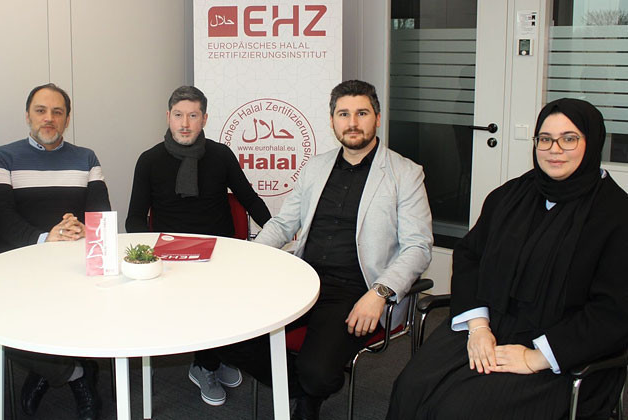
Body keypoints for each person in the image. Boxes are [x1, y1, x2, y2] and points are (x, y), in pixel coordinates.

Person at [387, 98, 628, 419]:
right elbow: (470, 256)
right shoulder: (510, 196)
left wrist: (536, 357)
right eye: (545, 139)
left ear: (592, 142)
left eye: (569, 139)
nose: (554, 149)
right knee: (411, 387)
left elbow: (613, 313)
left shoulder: (616, 215)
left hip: (563, 351)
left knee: (460, 410)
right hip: (491, 324)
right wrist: (479, 327)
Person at [221, 80, 433, 419]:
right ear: (332, 120)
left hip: (356, 289)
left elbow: (418, 247)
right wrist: (252, 257)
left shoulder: (405, 173)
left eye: (362, 113)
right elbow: (283, 224)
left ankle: (311, 386)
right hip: (301, 278)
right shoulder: (315, 167)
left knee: (318, 372)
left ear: (377, 118)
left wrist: (380, 292)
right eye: (343, 114)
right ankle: (305, 388)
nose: (353, 123)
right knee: (227, 334)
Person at [125, 85, 272, 406]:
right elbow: (134, 218)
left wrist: (279, 232)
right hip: (169, 257)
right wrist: (146, 257)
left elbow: (249, 199)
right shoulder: (149, 160)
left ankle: (210, 359)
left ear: (204, 119)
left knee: (225, 297)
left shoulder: (221, 155)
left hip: (220, 252)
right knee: (196, 299)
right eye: (178, 115)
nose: (185, 124)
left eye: (193, 116)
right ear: (168, 116)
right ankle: (207, 364)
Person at [0, 83, 111, 420]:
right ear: (28, 116)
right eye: (41, 110)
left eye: (57, 112)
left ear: (67, 119)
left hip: (76, 263)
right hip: (19, 265)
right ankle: (75, 373)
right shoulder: (1, 157)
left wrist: (83, 229)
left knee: (106, 305)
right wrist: (45, 238)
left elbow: (100, 213)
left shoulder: (86, 158)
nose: (49, 118)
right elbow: (0, 220)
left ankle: (48, 368)